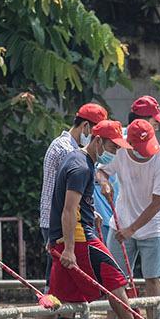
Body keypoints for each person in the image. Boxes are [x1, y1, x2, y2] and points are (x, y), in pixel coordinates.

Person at [24, 120, 160, 319]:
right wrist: (68, 248)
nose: (115, 152)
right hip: (79, 240)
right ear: (97, 141)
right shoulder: (82, 168)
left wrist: (84, 217)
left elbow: (71, 204)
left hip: (68, 236)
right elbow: (68, 209)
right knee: (115, 279)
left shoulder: (78, 159)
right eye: (112, 147)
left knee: (57, 294)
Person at [109, 118, 160, 319]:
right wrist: (104, 183)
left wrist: (133, 229)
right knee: (115, 279)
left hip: (152, 228)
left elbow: (157, 203)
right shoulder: (119, 152)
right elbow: (102, 171)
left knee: (153, 278)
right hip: (120, 224)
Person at [40, 102, 109, 249]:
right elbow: (68, 198)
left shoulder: (65, 146)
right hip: (61, 223)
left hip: (61, 220)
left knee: (60, 270)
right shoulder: (68, 152)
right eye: (96, 133)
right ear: (85, 126)